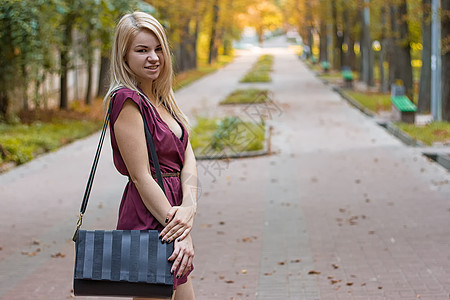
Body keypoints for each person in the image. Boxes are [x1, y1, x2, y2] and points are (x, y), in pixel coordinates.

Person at [105, 11, 197, 300]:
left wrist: (189, 208)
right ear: (124, 56)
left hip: (173, 212)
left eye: (158, 49)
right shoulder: (126, 100)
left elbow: (188, 159)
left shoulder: (163, 99)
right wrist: (180, 230)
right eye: (142, 50)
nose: (154, 57)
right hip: (150, 216)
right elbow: (141, 176)